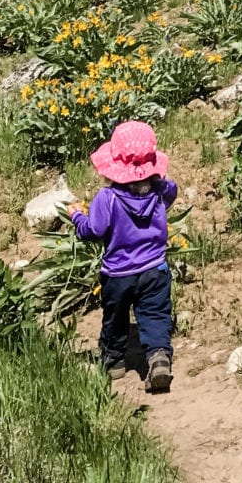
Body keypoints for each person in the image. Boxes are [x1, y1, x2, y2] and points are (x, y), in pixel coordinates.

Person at [70, 119, 178, 392]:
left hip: (118, 273)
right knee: (155, 314)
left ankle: (114, 362)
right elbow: (171, 190)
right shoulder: (159, 191)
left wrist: (76, 217)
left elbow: (93, 230)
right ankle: (158, 357)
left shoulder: (107, 198)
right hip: (155, 268)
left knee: (115, 318)